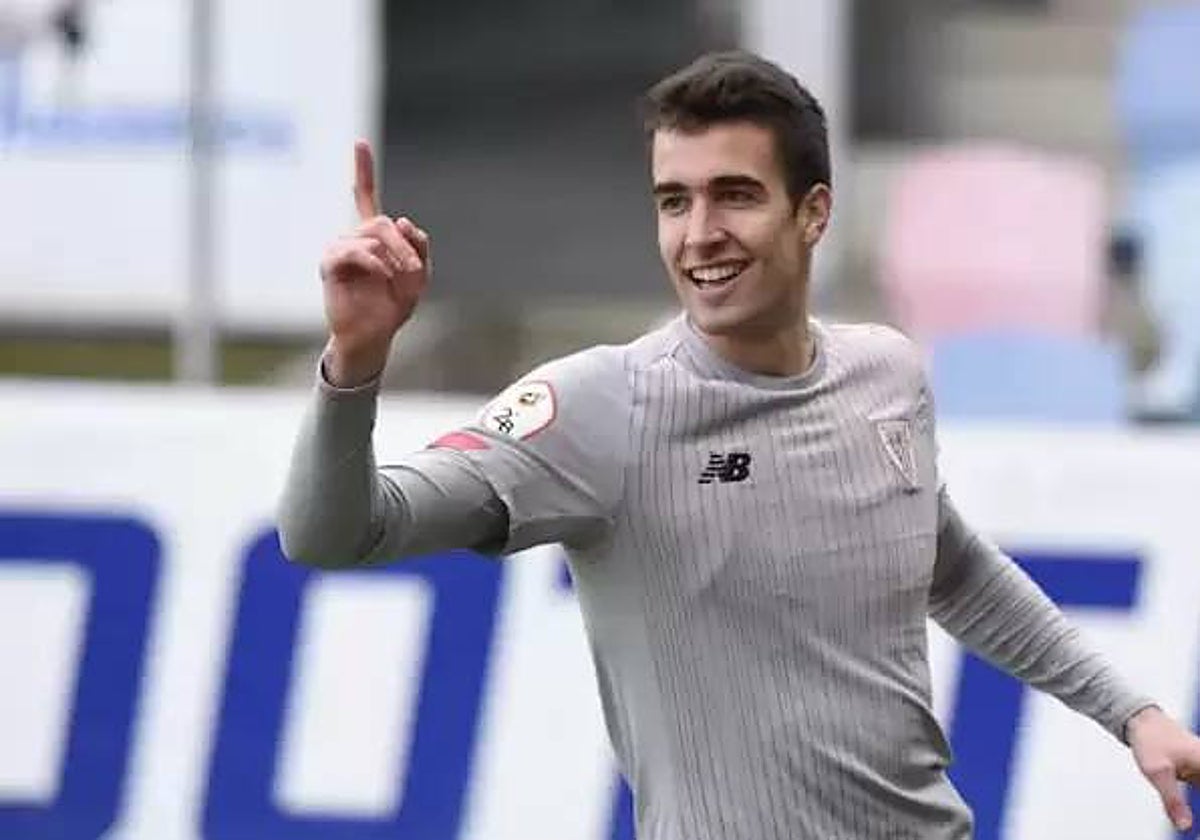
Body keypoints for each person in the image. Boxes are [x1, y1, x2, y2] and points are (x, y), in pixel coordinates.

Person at [278, 51, 1200, 840]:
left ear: (814, 212)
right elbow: (338, 533)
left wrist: (1132, 712)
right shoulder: (602, 403)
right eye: (673, 200)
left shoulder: (888, 375)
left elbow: (948, 565)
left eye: (735, 196)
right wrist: (355, 359)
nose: (699, 234)